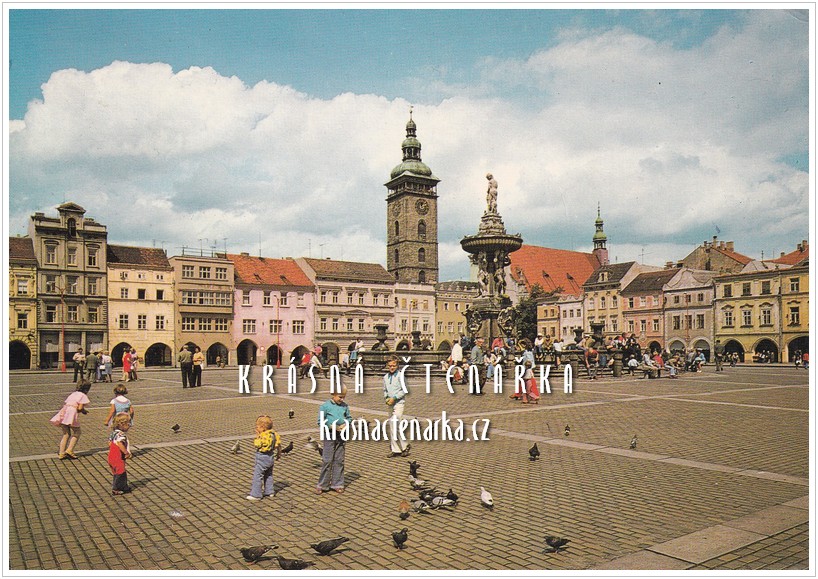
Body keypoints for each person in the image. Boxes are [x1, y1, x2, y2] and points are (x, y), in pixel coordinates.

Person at [316, 387, 351, 494]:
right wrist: (332, 426)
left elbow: (349, 418)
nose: (342, 399)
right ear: (333, 394)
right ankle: (323, 484)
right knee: (327, 460)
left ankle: (337, 483)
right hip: (329, 434)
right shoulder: (325, 406)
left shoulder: (345, 406)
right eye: (340, 397)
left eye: (343, 397)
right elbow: (320, 421)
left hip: (341, 435)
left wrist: (346, 424)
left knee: (339, 460)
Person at [50, 380, 92, 459]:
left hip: (64, 413)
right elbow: (79, 408)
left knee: (66, 434)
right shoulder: (83, 395)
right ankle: (70, 450)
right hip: (71, 414)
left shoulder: (73, 394)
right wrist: (83, 411)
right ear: (86, 389)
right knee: (77, 432)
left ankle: (61, 453)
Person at [247, 415, 281, 501]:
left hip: (262, 457)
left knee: (258, 475)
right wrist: (279, 453)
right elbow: (278, 444)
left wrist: (257, 436)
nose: (256, 428)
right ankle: (269, 491)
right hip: (271, 456)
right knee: (269, 474)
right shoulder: (274, 434)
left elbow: (257, 444)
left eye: (257, 427)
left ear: (262, 427)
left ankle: (256, 494)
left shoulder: (263, 435)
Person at [384, 356, 410, 458]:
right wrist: (386, 398)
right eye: (390, 366)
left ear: (397, 365)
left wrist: (395, 397)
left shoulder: (400, 376)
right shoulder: (385, 377)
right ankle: (397, 448)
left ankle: (403, 446)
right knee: (393, 426)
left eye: (394, 366)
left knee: (395, 423)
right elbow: (385, 390)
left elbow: (404, 390)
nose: (392, 367)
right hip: (390, 403)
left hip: (399, 403)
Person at [107, 412, 133, 496]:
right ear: (122, 425)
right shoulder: (121, 435)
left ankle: (124, 486)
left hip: (111, 456)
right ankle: (116, 488)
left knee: (117, 472)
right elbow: (119, 443)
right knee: (120, 473)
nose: (130, 425)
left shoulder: (113, 433)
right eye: (128, 424)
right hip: (118, 457)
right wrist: (126, 452)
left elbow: (109, 443)